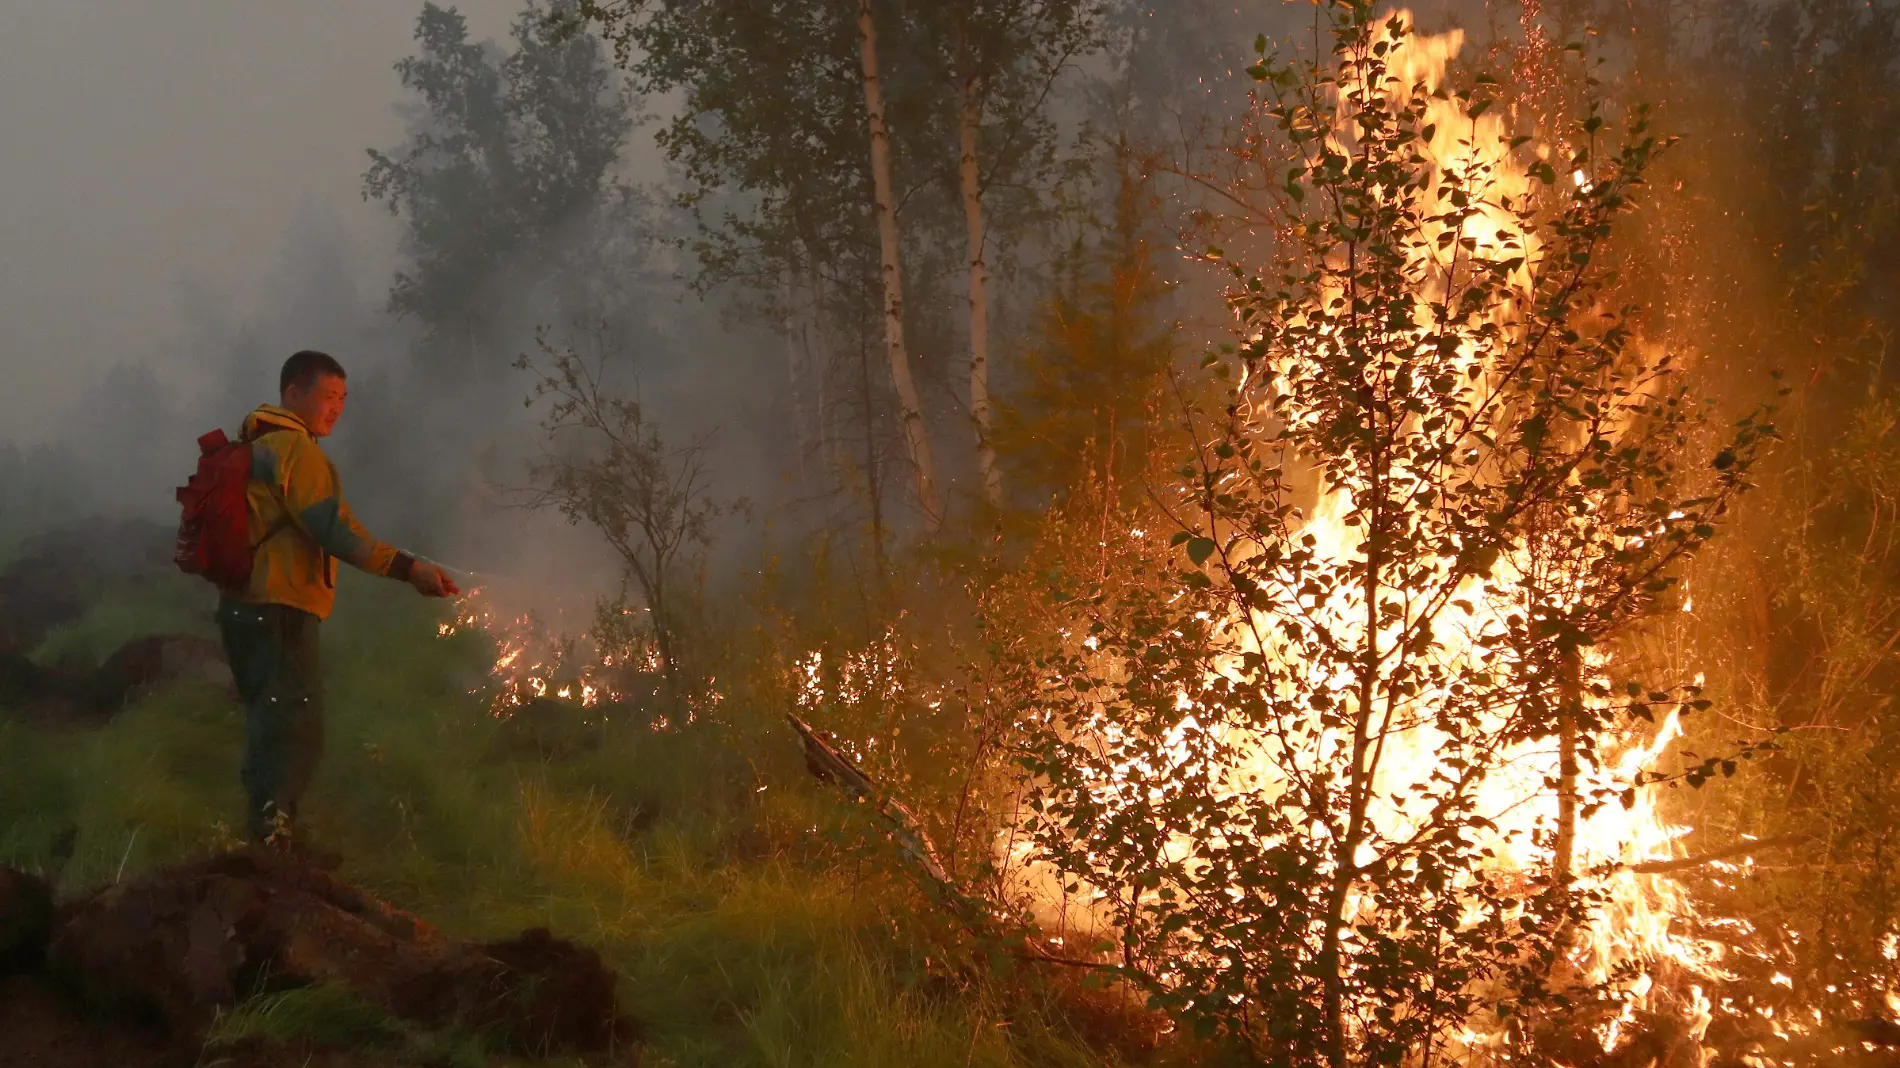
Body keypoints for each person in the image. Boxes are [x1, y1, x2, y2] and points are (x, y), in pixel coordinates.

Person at [219, 349, 459, 847]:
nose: (337, 409)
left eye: (343, 399)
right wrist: (409, 569)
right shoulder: (295, 451)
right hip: (280, 606)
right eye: (327, 397)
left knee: (270, 716)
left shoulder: (253, 444)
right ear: (292, 394)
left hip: (241, 605)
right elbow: (332, 529)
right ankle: (272, 836)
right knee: (295, 724)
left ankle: (273, 826)